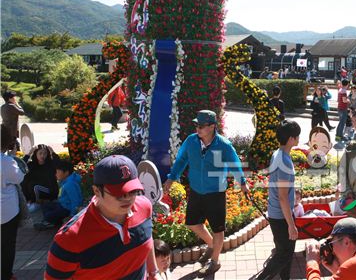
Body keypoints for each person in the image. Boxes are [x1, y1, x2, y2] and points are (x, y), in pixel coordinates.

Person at [45, 155, 159, 279]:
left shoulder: (144, 207)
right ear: (97, 191)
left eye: (132, 191)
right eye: (119, 193)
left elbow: (148, 238)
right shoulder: (69, 238)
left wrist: (153, 273)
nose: (127, 198)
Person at [164, 110, 248, 276]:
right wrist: (171, 178)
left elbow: (235, 165)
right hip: (196, 190)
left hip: (216, 192)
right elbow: (181, 160)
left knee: (218, 229)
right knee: (192, 223)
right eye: (196, 125)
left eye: (201, 126)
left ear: (212, 126)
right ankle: (212, 245)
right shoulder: (191, 141)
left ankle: (215, 261)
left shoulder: (223, 145)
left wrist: (243, 183)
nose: (198, 128)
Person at [255, 120, 301, 280]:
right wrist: (291, 225)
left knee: (285, 252)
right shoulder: (283, 161)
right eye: (297, 136)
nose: (298, 139)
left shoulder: (278, 154)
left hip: (279, 213)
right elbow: (282, 196)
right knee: (284, 253)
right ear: (291, 139)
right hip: (281, 216)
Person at [1, 125, 25, 280]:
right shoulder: (6, 161)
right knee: (7, 244)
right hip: (7, 211)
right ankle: (6, 275)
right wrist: (13, 157)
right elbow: (19, 178)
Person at [34, 159, 83, 230]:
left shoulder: (70, 184)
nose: (55, 174)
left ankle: (50, 222)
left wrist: (72, 215)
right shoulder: (65, 181)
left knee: (48, 215)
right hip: (62, 204)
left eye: (57, 172)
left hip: (67, 209)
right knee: (45, 205)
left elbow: (76, 201)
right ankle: (54, 220)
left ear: (66, 173)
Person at [22, 144, 59, 211]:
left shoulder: (50, 164)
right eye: (40, 153)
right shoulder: (32, 165)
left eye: (45, 153)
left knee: (33, 185)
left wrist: (52, 152)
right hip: (36, 191)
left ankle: (36, 203)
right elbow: (20, 166)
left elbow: (59, 164)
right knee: (24, 180)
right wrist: (29, 153)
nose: (42, 156)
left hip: (49, 190)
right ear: (35, 154)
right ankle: (29, 201)